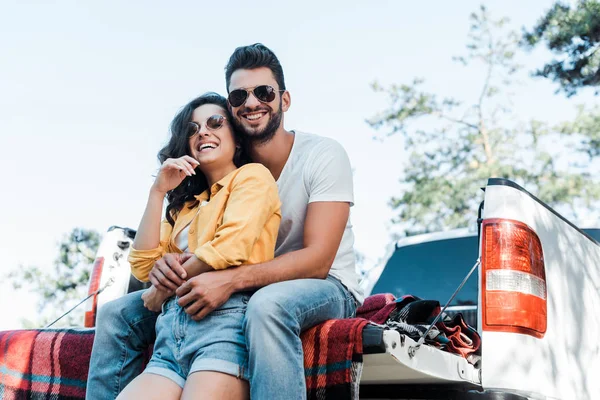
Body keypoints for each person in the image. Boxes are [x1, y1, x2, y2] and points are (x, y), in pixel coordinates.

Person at [86, 44, 362, 400]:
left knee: (268, 306)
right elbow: (146, 264)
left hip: (322, 282)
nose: (251, 102)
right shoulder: (205, 195)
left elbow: (318, 260)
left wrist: (204, 281)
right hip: (233, 282)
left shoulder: (319, 156)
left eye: (264, 92)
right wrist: (161, 267)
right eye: (239, 95)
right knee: (117, 312)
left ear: (285, 100)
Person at [115, 92, 281, 400]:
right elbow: (143, 265)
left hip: (224, 327)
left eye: (215, 122)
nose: (202, 132)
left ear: (237, 138)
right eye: (192, 129)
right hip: (170, 337)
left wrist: (161, 290)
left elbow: (229, 249)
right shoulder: (185, 207)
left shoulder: (252, 177)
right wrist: (157, 191)